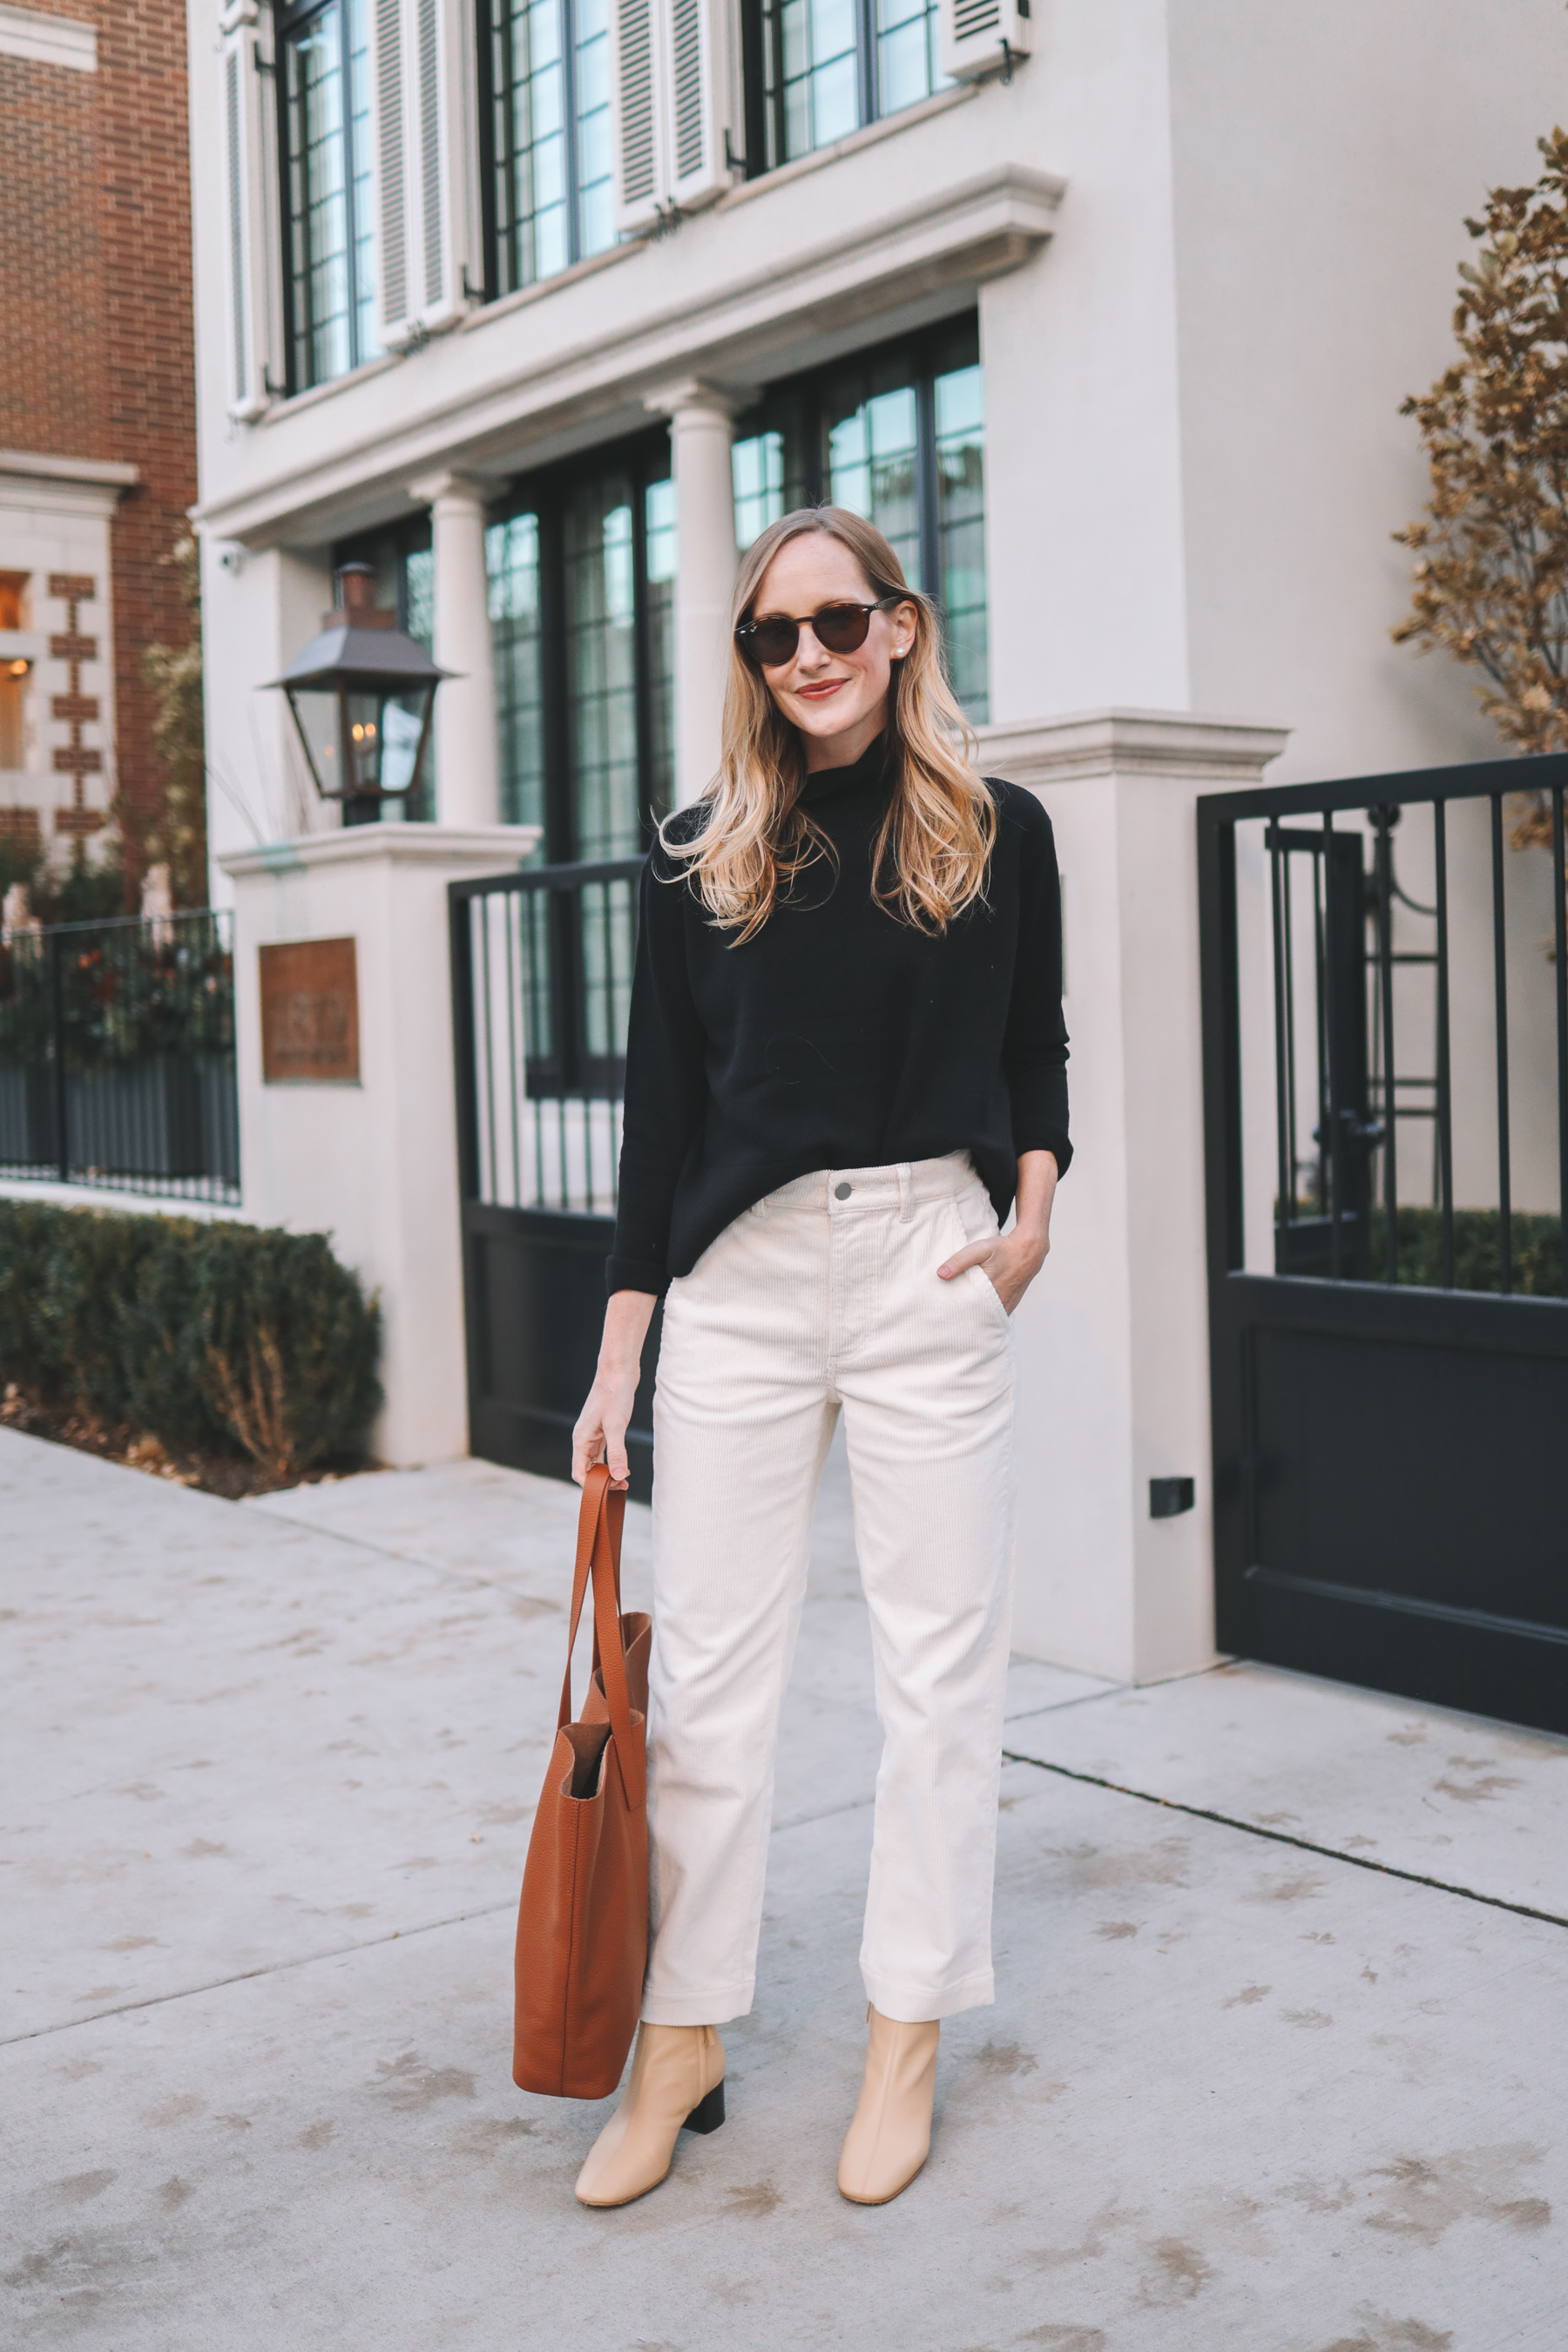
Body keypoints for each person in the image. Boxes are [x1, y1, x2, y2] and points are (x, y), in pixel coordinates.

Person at [570, 504, 1070, 2209]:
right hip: (745, 1283)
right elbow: (657, 1125)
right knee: (710, 1681)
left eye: (837, 624)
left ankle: (905, 2028)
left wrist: (1034, 1212)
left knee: (941, 1674)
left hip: (933, 1253)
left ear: (903, 625)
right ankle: (684, 2035)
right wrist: (617, 1359)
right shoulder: (698, 847)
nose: (808, 660)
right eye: (772, 638)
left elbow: (1033, 1042)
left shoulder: (999, 831)